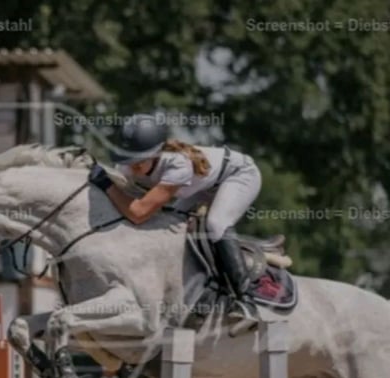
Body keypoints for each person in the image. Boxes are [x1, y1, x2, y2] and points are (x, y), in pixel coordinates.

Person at [88, 114, 263, 319]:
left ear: (156, 153)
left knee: (216, 223)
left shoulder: (177, 165)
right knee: (171, 227)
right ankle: (203, 287)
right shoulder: (127, 165)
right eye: (128, 160)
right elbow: (124, 205)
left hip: (237, 175)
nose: (133, 167)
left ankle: (246, 299)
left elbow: (138, 213)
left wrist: (106, 184)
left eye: (139, 162)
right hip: (196, 187)